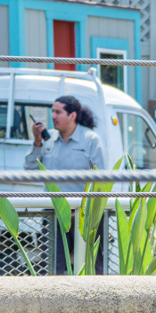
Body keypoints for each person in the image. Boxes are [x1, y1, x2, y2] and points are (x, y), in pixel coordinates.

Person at [27, 96, 109, 274]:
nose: (53, 116)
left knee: (93, 264)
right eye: (52, 111)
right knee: (52, 266)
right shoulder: (47, 140)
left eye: (58, 112)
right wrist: (37, 142)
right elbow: (30, 169)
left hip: (85, 214)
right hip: (53, 212)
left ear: (72, 115)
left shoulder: (91, 139)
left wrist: (90, 212)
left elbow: (101, 178)